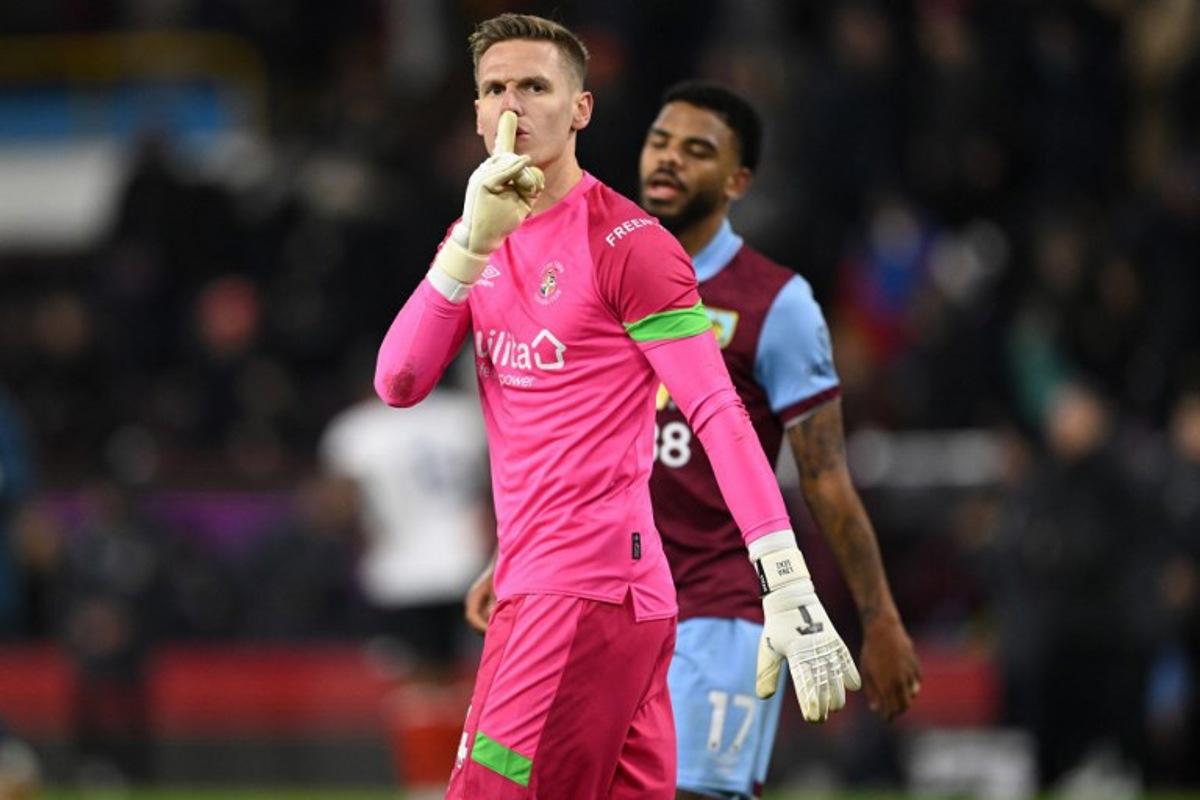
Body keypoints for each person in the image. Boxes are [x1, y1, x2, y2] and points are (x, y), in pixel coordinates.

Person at [375, 14, 858, 799]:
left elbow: (717, 412)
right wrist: (468, 249)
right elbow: (399, 381)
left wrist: (786, 579)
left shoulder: (626, 244)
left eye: (536, 87)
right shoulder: (477, 232)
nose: (513, 107)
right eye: (495, 88)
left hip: (580, 597)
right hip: (561, 590)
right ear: (474, 109)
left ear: (580, 109)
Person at [467, 80, 923, 798]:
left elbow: (826, 478)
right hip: (600, 606)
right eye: (660, 142)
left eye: (698, 151)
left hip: (718, 610)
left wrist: (880, 619)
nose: (670, 161)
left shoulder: (777, 303)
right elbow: (579, 447)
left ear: (738, 181)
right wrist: (517, 557)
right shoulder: (601, 270)